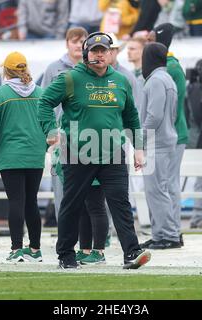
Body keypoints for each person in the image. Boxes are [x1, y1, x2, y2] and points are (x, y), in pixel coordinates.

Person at [38, 32, 151, 269]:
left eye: (103, 51)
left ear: (111, 54)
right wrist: (50, 131)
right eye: (94, 51)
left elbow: (131, 116)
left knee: (120, 203)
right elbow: (44, 101)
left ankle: (131, 252)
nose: (99, 55)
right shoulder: (70, 78)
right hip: (78, 152)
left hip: (113, 151)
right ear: (86, 54)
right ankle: (66, 256)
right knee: (72, 204)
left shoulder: (120, 80)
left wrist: (138, 148)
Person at [0, 52, 47, 262]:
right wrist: (41, 146)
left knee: (16, 201)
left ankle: (16, 248)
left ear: (6, 71)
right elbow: (50, 126)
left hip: (10, 157)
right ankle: (35, 250)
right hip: (35, 156)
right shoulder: (41, 92)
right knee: (31, 202)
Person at [145, 24, 189, 241]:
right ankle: (169, 231)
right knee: (166, 185)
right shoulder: (169, 69)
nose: (147, 43)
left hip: (168, 134)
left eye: (151, 39)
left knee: (165, 186)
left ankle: (170, 232)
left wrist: (140, 136)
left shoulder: (167, 70)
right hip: (171, 132)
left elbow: (157, 113)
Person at [41, 27, 89, 219]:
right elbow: (43, 102)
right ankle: (66, 233)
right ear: (67, 43)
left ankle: (90, 236)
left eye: (82, 41)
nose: (78, 45)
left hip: (87, 135)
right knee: (61, 185)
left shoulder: (92, 67)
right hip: (61, 135)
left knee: (88, 189)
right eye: (74, 41)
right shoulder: (54, 68)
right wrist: (49, 132)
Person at [139, 42, 180, 249]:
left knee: (156, 190)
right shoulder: (167, 79)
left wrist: (140, 138)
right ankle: (160, 234)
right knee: (160, 189)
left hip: (157, 143)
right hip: (167, 139)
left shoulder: (155, 80)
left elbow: (153, 115)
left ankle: (168, 235)